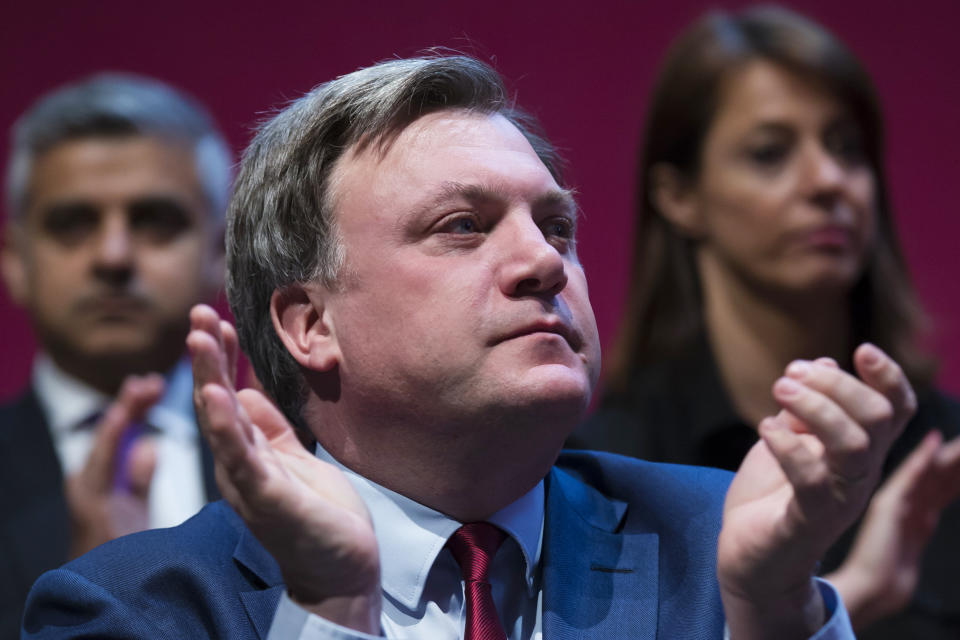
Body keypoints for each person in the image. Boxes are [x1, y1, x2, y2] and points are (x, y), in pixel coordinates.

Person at [23, 54, 914, 640]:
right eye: (462, 227)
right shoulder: (132, 612)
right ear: (309, 325)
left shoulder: (723, 550)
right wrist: (334, 612)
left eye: (556, 226)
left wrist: (776, 610)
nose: (542, 262)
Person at [569, 7, 960, 638]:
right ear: (679, 197)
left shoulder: (941, 455)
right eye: (770, 154)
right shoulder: (606, 472)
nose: (828, 181)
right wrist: (853, 594)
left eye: (846, 148)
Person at [0, 73, 230, 637]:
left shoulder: (309, 466)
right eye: (73, 224)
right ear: (14, 261)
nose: (113, 255)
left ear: (222, 252)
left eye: (154, 221)